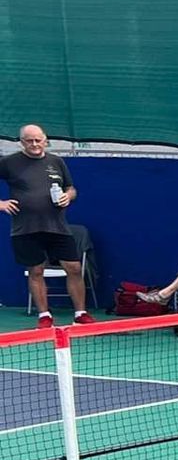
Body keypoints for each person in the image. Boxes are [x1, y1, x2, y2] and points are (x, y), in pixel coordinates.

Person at [1, 124, 91, 327]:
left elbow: (70, 188)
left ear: (45, 140)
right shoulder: (9, 163)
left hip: (57, 227)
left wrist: (68, 196)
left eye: (38, 140)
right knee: (36, 271)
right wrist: (1, 204)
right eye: (29, 140)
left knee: (74, 267)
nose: (34, 144)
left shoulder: (56, 161)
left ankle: (81, 314)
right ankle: (44, 316)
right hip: (25, 228)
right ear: (21, 142)